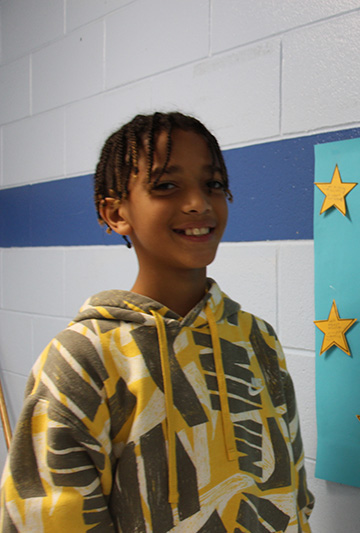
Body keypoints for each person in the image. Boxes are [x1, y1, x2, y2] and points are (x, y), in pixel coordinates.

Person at [0, 112, 314, 532]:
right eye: (166, 186)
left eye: (213, 185)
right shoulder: (82, 359)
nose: (198, 203)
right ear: (115, 213)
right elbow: (50, 521)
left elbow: (293, 492)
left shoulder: (257, 338)